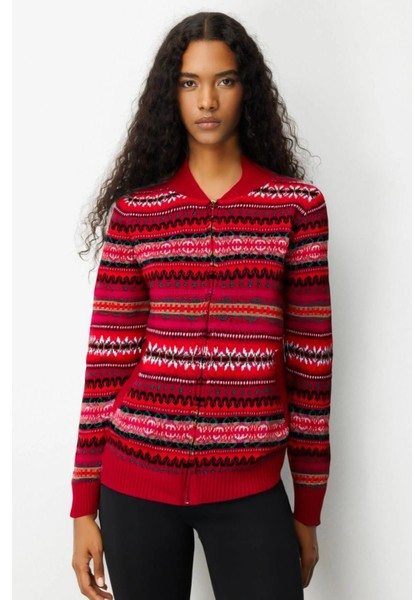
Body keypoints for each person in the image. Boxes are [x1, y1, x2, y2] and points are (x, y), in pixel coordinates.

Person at [71, 11, 333, 600]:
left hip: (250, 491)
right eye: (189, 82)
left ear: (248, 90)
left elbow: (311, 366)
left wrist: (308, 508)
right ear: (171, 94)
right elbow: (106, 364)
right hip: (134, 483)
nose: (207, 100)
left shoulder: (295, 208)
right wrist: (83, 505)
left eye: (225, 80)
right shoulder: (137, 214)